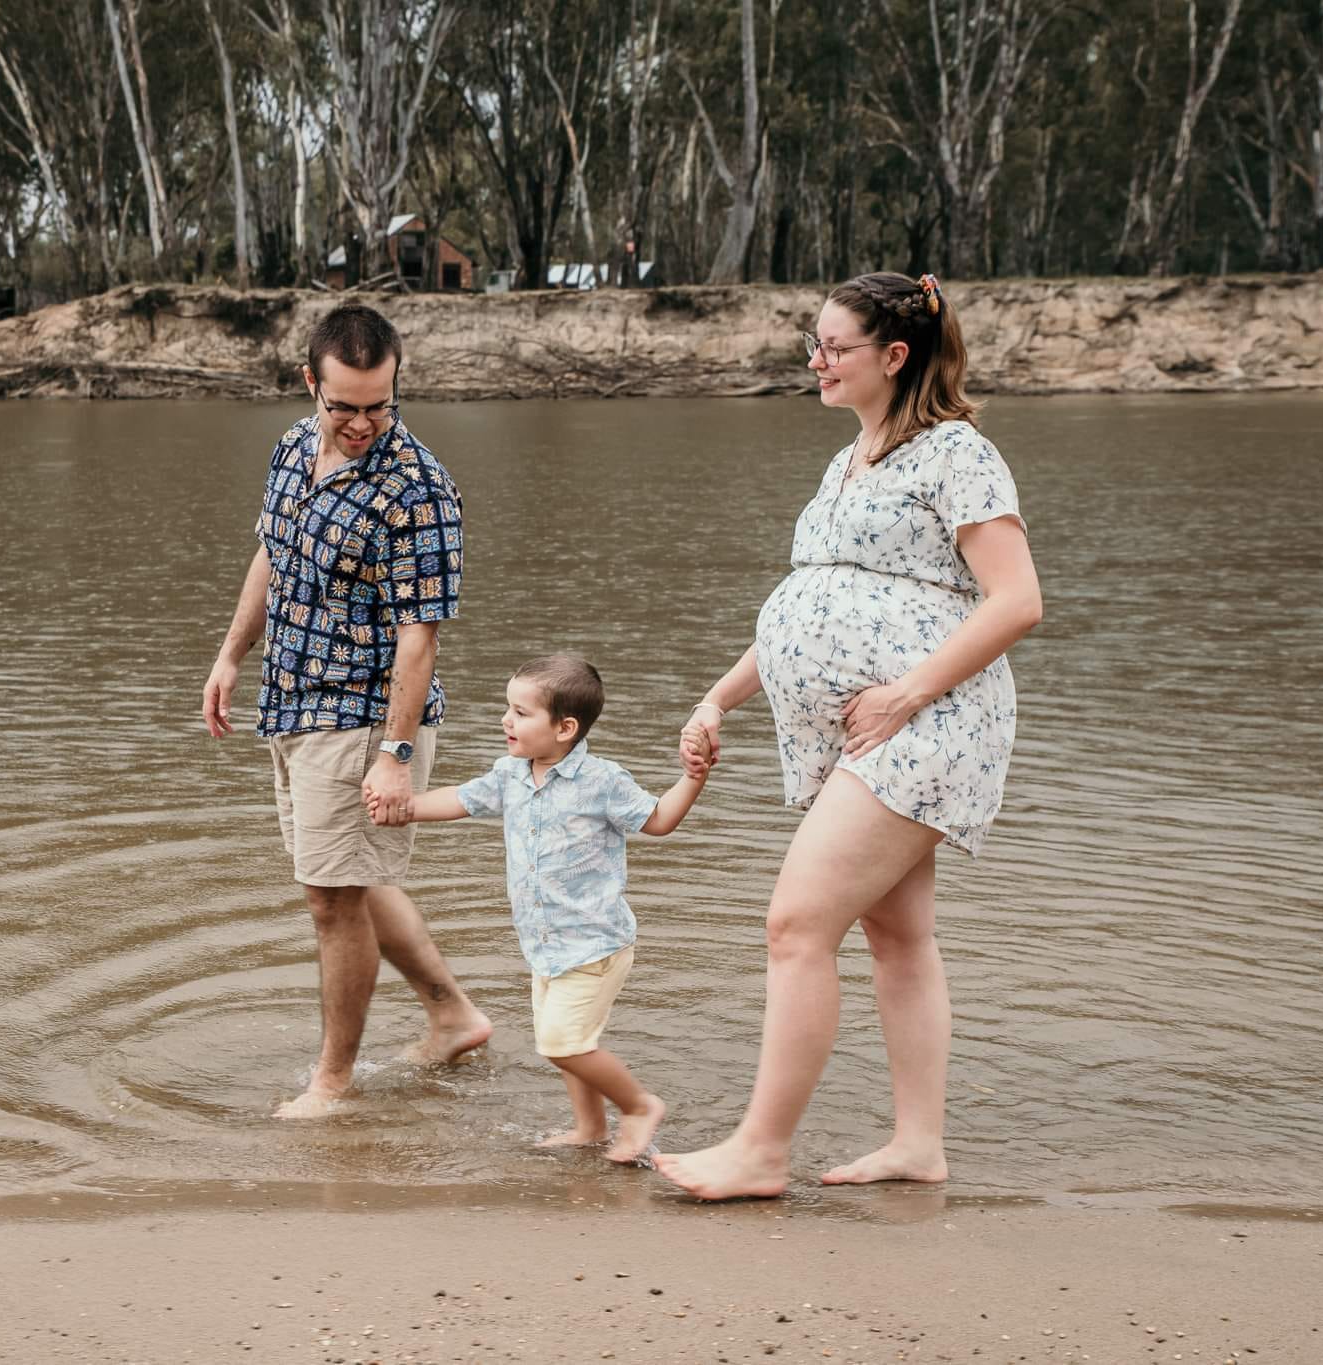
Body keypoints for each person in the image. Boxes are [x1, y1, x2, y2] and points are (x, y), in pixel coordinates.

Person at [655, 271, 1044, 1200]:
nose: (816, 360)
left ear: (894, 356)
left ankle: (761, 1148)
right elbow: (813, 601)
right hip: (870, 730)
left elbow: (1018, 600)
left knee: (796, 923)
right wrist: (717, 699)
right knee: (899, 936)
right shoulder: (851, 458)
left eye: (834, 346)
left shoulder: (958, 453)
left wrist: (905, 694)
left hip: (929, 720)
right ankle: (919, 1145)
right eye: (814, 344)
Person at [201, 303, 491, 1119]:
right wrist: (231, 655)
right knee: (348, 882)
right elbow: (272, 552)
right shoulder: (294, 447)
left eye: (380, 404)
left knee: (331, 899)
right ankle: (453, 1015)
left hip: (363, 715)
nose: (363, 422)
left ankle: (332, 1080)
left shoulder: (419, 489)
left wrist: (394, 754)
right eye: (346, 406)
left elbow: (418, 640)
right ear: (310, 386)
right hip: (288, 700)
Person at [373, 655, 708, 1163]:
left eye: (521, 712)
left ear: (565, 728)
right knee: (572, 1041)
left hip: (594, 942)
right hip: (545, 942)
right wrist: (405, 807)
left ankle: (639, 1107)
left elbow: (658, 820)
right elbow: (462, 800)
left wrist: (693, 779)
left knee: (563, 1044)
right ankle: (590, 1128)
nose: (506, 721)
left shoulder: (601, 780)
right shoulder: (510, 775)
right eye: (508, 709)